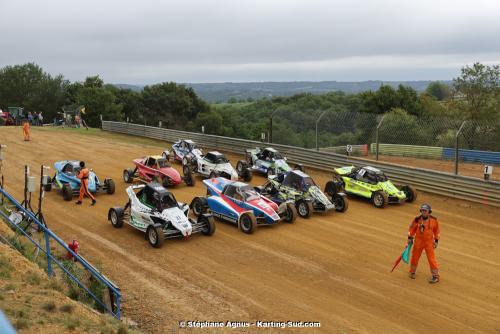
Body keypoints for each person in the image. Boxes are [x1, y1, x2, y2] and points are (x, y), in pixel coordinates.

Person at [407, 203, 441, 283]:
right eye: (422, 210)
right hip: (418, 241)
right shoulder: (416, 219)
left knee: (431, 259)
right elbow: (411, 228)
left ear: (429, 212)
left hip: (429, 242)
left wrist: (436, 240)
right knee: (415, 257)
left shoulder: (434, 220)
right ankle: (412, 272)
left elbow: (437, 231)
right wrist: (410, 237)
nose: (423, 212)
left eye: (425, 211)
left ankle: (435, 276)